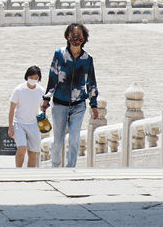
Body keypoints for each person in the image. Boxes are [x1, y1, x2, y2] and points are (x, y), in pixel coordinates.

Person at [42, 23, 99, 168]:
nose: (76, 38)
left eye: (79, 36)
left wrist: (94, 104)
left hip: (79, 104)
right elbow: (53, 77)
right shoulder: (59, 54)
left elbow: (91, 82)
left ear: (84, 38)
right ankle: (55, 166)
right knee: (58, 140)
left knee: (74, 138)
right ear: (67, 36)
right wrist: (46, 99)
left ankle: (71, 167)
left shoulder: (87, 59)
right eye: (73, 35)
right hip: (60, 103)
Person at [8, 66, 46, 168]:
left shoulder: (41, 91)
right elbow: (11, 109)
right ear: (27, 76)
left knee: (33, 153)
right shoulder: (19, 90)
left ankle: (30, 175)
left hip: (34, 124)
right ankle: (18, 172)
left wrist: (44, 120)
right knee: (21, 149)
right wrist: (10, 127)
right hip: (19, 123)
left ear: (39, 79)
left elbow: (42, 108)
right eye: (31, 77)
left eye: (36, 78)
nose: (33, 80)